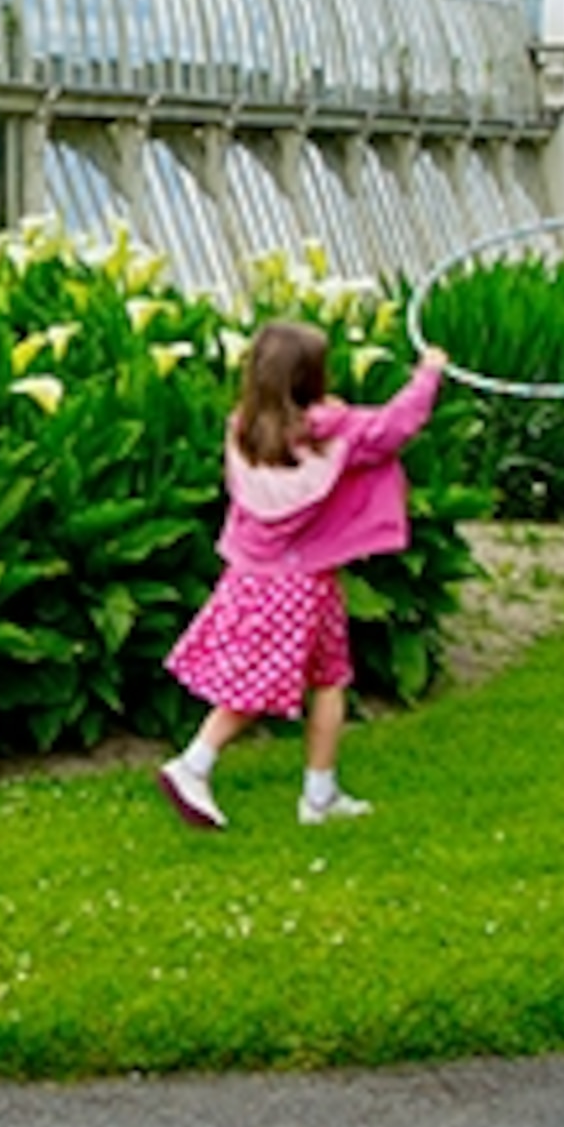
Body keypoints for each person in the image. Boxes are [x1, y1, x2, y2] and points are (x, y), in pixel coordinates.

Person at [157, 322, 448, 830]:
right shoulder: (335, 433)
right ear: (312, 378)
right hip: (297, 585)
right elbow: (396, 426)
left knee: (331, 677)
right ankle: (192, 765)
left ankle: (320, 796)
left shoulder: (244, 426)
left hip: (260, 575)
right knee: (256, 688)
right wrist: (429, 374)